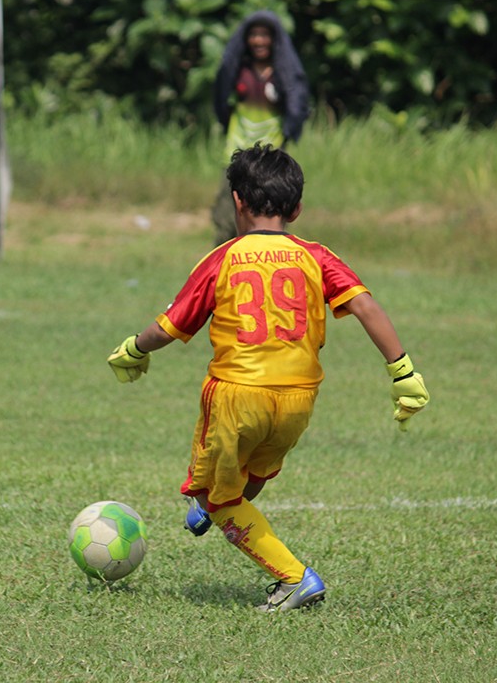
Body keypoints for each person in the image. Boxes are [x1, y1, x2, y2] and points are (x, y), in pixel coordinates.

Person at [107, 144, 429, 613]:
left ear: (237, 201)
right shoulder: (316, 256)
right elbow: (365, 305)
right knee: (253, 469)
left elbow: (170, 326)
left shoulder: (223, 258)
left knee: (220, 500)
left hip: (238, 395)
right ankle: (214, 502)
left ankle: (293, 577)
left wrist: (133, 348)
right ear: (296, 209)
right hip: (299, 400)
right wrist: (403, 372)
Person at [211, 10, 309, 246]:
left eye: (264, 35)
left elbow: (297, 101)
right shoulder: (239, 72)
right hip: (238, 148)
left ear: (274, 40)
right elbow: (221, 99)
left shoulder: (281, 75)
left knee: (269, 210)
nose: (258, 41)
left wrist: (289, 129)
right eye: (253, 35)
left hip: (270, 153)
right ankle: (224, 258)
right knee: (227, 210)